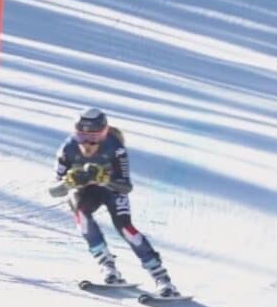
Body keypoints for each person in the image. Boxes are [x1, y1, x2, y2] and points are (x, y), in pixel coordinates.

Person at [48, 107, 180, 297]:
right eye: (81, 136)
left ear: (104, 134)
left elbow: (126, 187)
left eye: (94, 138)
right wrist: (67, 183)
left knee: (124, 227)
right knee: (82, 217)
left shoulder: (114, 147)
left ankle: (161, 277)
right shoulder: (67, 149)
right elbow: (53, 190)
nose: (87, 143)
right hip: (85, 192)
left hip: (111, 191)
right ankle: (107, 266)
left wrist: (106, 180)